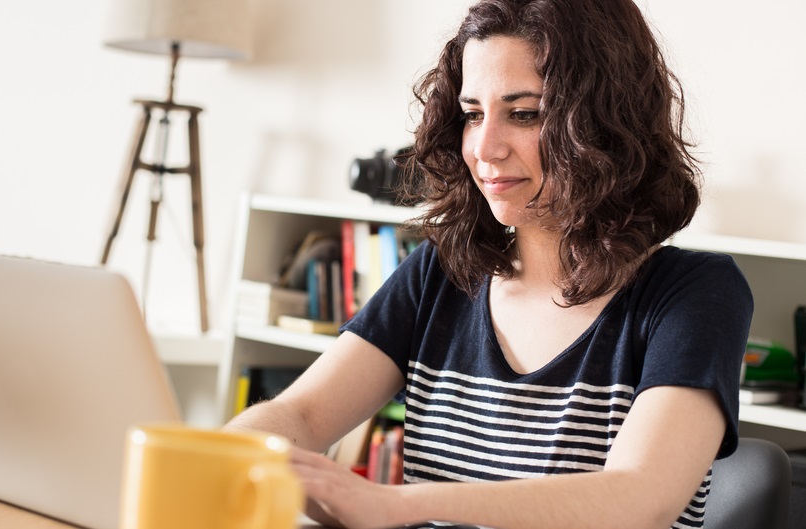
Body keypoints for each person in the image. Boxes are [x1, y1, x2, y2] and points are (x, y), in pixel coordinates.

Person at [225, 1, 753, 528]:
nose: (485, 147)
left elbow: (639, 499)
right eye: (473, 114)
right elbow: (301, 414)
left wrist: (397, 506)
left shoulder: (694, 294)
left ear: (604, 124)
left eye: (524, 113)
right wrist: (241, 448)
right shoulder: (440, 272)